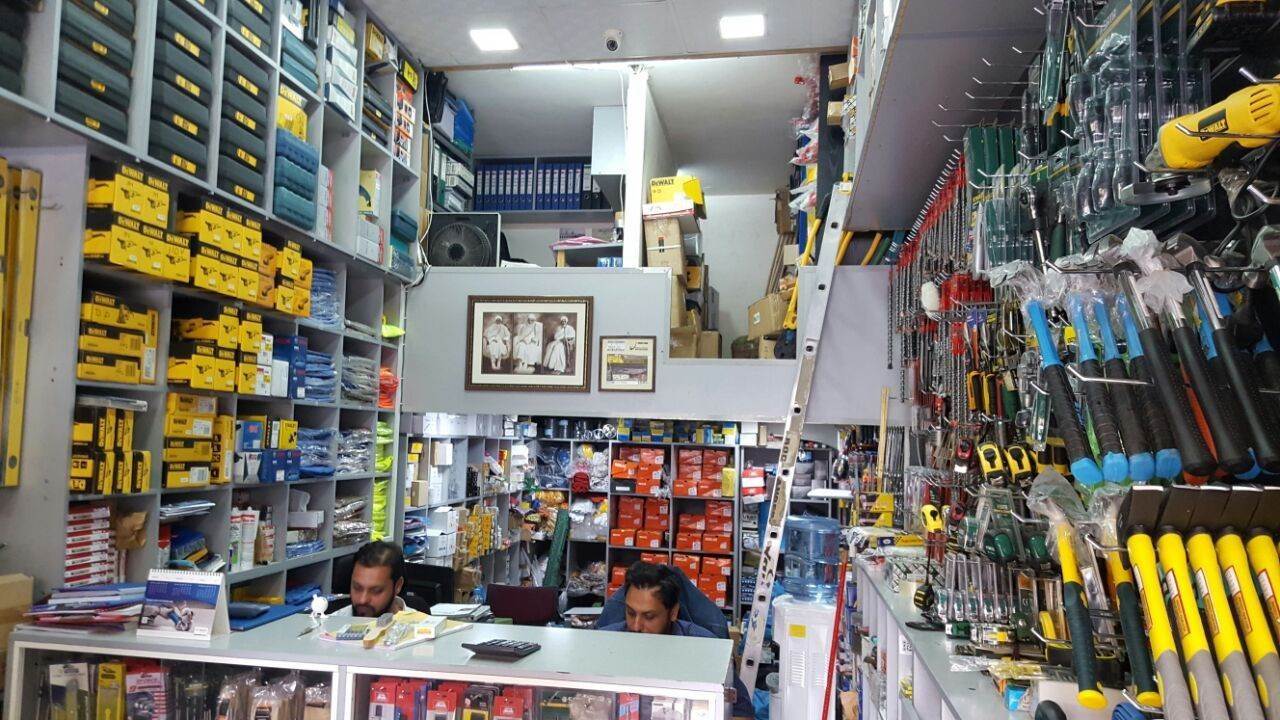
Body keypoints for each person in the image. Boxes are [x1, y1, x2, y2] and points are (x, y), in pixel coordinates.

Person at [597, 562, 754, 719]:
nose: (636, 626)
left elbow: (742, 713)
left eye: (649, 616)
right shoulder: (604, 642)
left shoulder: (704, 648)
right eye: (631, 613)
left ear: (673, 612)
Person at [347, 541, 407, 617]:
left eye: (376, 591)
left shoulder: (419, 623)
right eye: (357, 588)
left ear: (398, 586)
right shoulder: (333, 621)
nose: (362, 600)